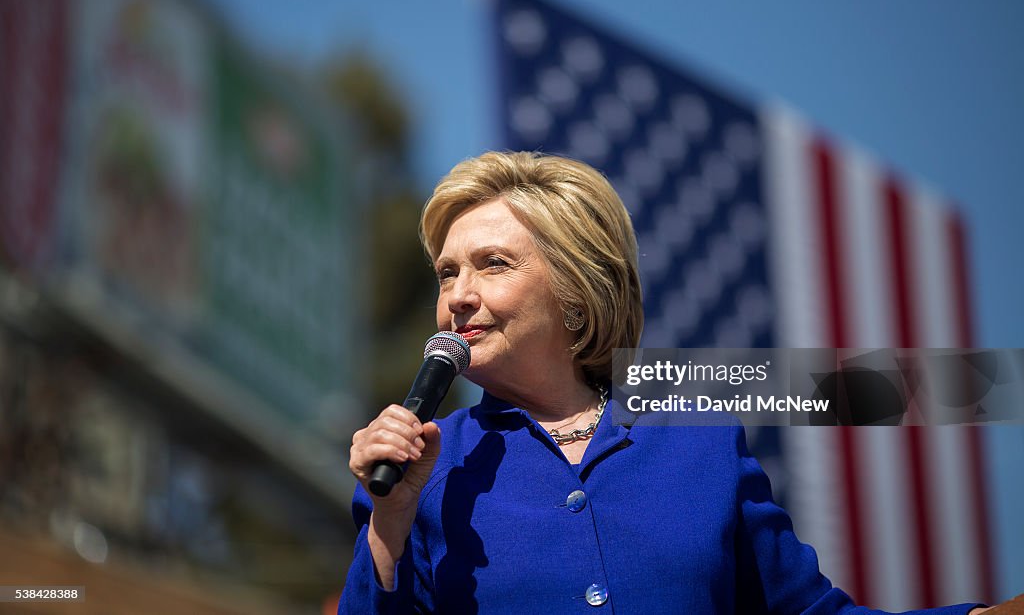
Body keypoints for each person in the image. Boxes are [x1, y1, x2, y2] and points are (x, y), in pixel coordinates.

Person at [339, 150, 994, 614]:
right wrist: (390, 521)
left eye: (493, 264)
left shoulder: (699, 441)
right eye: (448, 273)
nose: (460, 294)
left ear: (575, 294)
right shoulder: (426, 467)